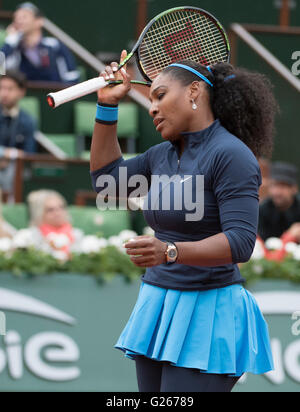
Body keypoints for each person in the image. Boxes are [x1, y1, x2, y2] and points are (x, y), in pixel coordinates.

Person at [90, 51, 277, 392]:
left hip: (209, 311)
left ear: (193, 92)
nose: (152, 109)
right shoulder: (160, 155)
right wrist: (106, 107)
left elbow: (240, 242)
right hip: (158, 302)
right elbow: (107, 182)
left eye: (160, 95)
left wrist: (171, 252)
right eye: (150, 101)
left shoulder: (232, 155)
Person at [1, 2, 80, 84]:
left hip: (55, 94)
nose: (19, 20)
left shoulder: (54, 45)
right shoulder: (13, 47)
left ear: (39, 21)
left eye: (24, 17)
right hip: (25, 95)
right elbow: (1, 70)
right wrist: (9, 42)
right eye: (16, 17)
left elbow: (72, 75)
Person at [0, 70, 36, 195]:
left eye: (10, 89)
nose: (4, 93)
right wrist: (6, 153)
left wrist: (9, 157)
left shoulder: (27, 121)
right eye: (1, 88)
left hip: (13, 170)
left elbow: (28, 154)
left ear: (21, 92)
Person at [258, 161, 300, 243]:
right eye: (274, 185)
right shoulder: (262, 209)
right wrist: (288, 236)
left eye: (283, 186)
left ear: (294, 188)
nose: (277, 192)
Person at [27, 190, 75, 259]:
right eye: (50, 210)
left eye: (61, 207)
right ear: (39, 213)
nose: (58, 213)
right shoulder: (31, 236)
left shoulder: (75, 234)